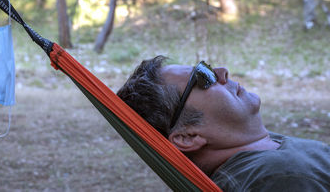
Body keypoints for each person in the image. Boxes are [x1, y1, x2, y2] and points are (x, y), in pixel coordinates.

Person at [117, 56, 330, 191]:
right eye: (202, 78)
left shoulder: (269, 158)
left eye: (206, 67)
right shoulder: (280, 179)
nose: (222, 72)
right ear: (188, 136)